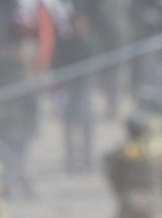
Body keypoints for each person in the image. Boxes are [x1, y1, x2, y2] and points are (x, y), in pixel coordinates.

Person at [53, 13, 99, 173]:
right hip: (68, 90)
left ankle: (87, 159)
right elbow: (57, 65)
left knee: (87, 125)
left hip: (84, 89)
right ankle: (70, 160)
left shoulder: (89, 43)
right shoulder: (65, 44)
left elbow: (96, 64)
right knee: (69, 126)